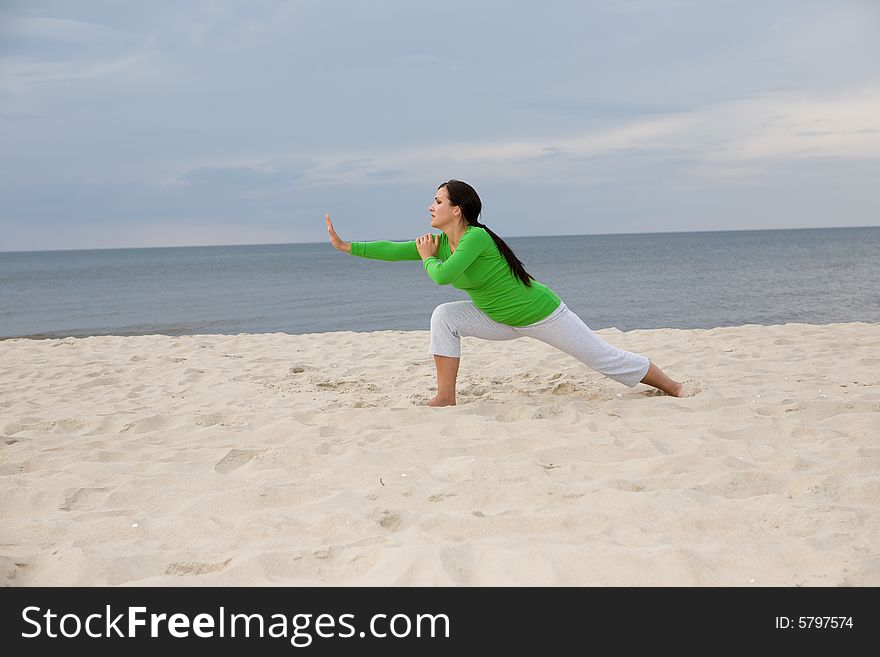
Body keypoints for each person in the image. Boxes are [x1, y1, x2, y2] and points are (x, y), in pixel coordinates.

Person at [325, 179, 685, 406]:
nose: (430, 207)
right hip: (497, 318)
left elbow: (441, 275)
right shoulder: (440, 243)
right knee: (445, 317)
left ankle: (674, 387)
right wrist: (346, 246)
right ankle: (445, 396)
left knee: (603, 359)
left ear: (457, 209)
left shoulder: (475, 238)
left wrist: (426, 259)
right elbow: (393, 248)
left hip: (541, 314)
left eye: (437, 200)